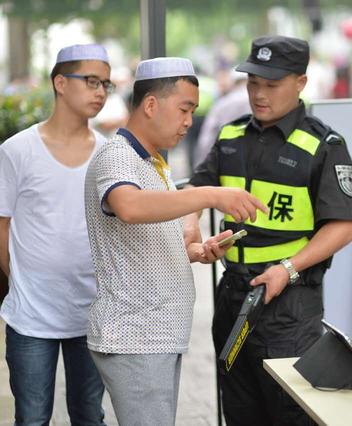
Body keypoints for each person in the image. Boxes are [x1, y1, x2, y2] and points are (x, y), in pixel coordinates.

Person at [84, 57, 267, 426]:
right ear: (151, 104)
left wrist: (196, 251)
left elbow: (144, 234)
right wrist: (210, 196)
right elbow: (130, 206)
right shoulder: (117, 155)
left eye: (193, 111)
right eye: (184, 109)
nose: (189, 122)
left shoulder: (152, 163)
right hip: (135, 335)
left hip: (155, 335)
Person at [189, 35, 352, 426]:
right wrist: (192, 230)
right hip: (233, 294)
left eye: (271, 84)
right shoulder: (230, 135)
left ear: (300, 82)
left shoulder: (324, 145)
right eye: (253, 83)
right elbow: (196, 192)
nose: (258, 94)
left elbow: (344, 226)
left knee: (290, 411)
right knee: (239, 408)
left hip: (288, 303)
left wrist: (288, 268)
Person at [0, 43, 112, 426]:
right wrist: (22, 281)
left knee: (88, 415)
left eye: (106, 85)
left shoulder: (109, 154)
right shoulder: (17, 151)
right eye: (92, 81)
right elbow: (3, 225)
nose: (100, 92)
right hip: (30, 317)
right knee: (31, 418)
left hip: (92, 314)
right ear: (60, 83)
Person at [194, 70, 250, 166]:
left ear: (233, 82)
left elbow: (206, 140)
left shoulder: (222, 103)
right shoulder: (262, 103)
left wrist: (201, 166)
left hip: (224, 161)